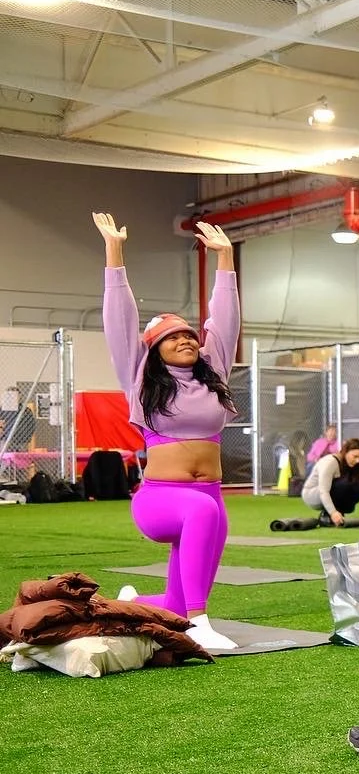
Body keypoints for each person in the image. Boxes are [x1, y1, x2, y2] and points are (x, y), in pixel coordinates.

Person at [96, 211, 239, 648]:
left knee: (171, 606)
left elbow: (226, 320)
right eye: (172, 337)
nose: (186, 339)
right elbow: (120, 320)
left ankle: (130, 603)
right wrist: (114, 251)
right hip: (160, 501)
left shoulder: (214, 374)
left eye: (190, 335)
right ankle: (199, 621)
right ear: (154, 351)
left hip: (210, 497)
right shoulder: (140, 380)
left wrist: (226, 260)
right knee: (201, 512)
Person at [303, 437, 359, 526]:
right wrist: (333, 513)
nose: (358, 461)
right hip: (313, 495)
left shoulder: (353, 464)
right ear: (345, 452)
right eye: (355, 456)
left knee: (358, 486)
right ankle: (326, 515)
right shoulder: (330, 462)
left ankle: (338, 513)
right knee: (345, 484)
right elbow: (323, 491)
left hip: (329, 492)